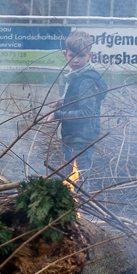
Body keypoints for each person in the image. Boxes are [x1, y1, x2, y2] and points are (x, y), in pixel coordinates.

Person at [44, 30, 108, 180]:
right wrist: (63, 102)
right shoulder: (76, 75)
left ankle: (81, 203)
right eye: (72, 55)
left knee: (79, 184)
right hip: (74, 138)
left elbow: (86, 113)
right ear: (65, 54)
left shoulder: (86, 79)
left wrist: (57, 114)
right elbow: (80, 100)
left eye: (81, 56)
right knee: (72, 181)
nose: (76, 60)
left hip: (81, 140)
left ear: (90, 56)